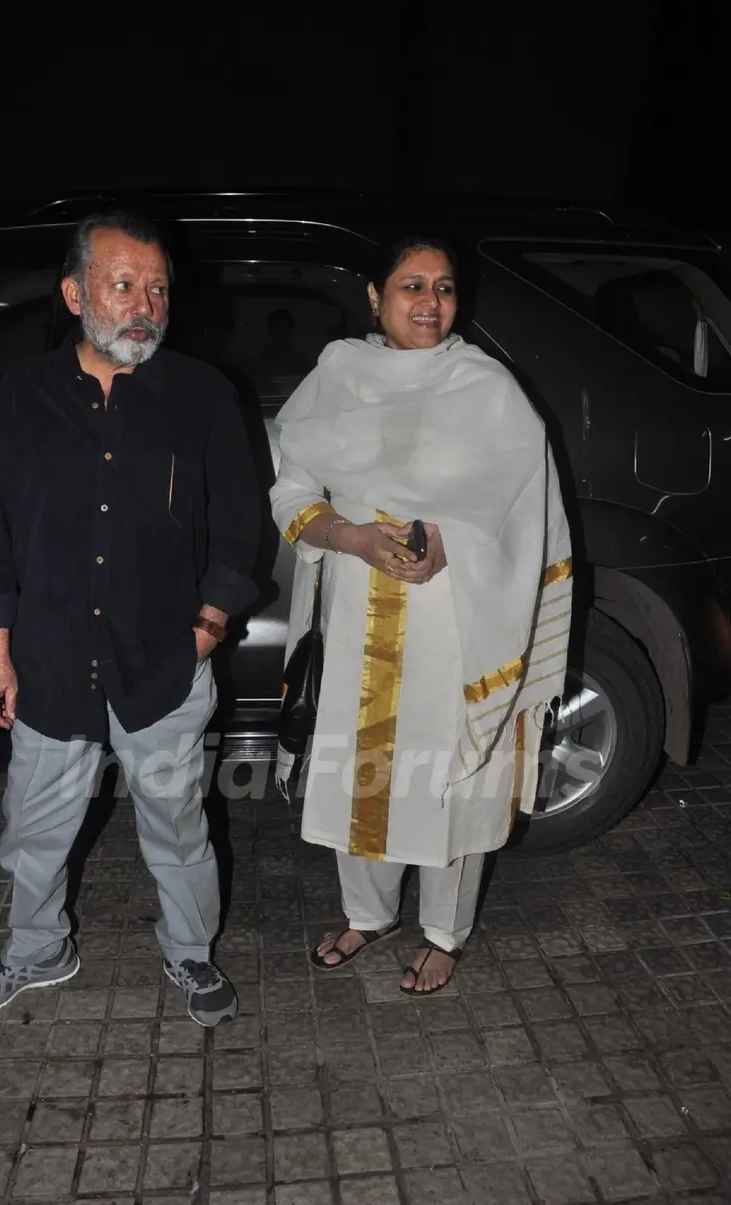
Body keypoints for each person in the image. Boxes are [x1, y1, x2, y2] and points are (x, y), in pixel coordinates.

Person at [0, 211, 260, 1027]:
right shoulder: (25, 395)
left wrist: (207, 626)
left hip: (164, 662)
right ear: (74, 292)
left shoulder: (199, 394)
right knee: (35, 826)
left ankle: (190, 952)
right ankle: (36, 949)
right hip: (51, 659)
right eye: (124, 284)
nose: (144, 304)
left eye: (158, 288)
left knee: (178, 821)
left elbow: (239, 524)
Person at [270, 236, 572, 994]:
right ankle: (368, 912)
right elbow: (291, 483)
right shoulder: (337, 376)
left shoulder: (486, 387)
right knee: (363, 773)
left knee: (452, 775)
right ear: (375, 296)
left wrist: (450, 541)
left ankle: (445, 930)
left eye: (443, 286)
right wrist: (347, 535)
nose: (430, 302)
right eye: (412, 285)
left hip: (455, 621)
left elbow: (523, 507)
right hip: (355, 613)